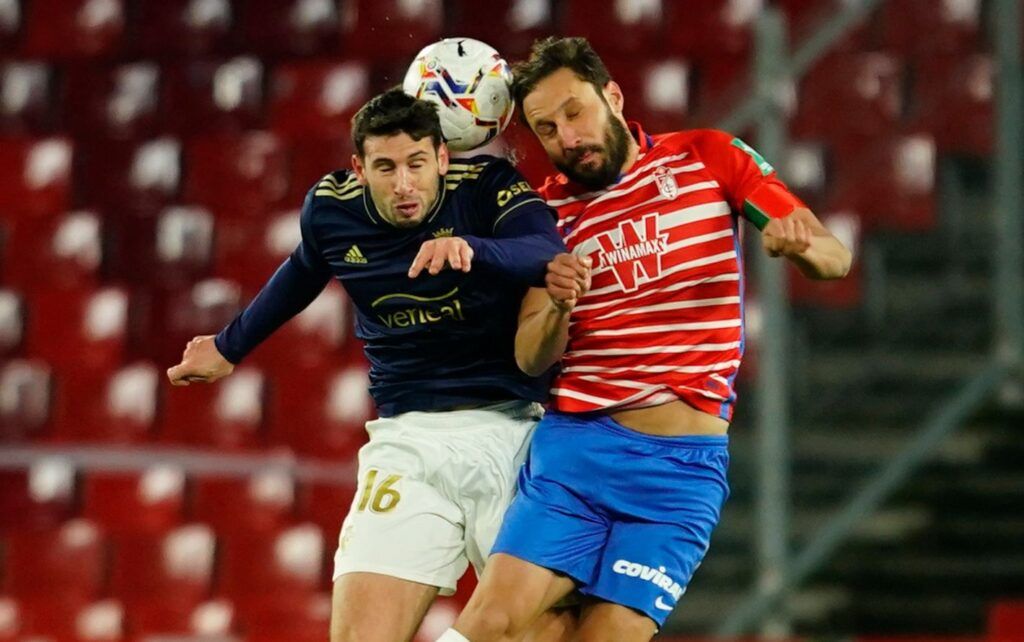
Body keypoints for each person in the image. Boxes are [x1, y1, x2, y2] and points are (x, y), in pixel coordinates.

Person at [436, 36, 853, 642]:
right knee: (494, 622)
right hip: (578, 453)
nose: (566, 139)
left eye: (574, 112)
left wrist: (802, 246)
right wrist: (556, 303)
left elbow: (835, 258)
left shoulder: (708, 158)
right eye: (546, 129)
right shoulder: (542, 215)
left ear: (612, 95)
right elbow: (530, 355)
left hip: (681, 475)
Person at [166, 88, 574, 642]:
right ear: (360, 168)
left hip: (513, 432)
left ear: (442, 157)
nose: (403, 184)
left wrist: (473, 248)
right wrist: (229, 346)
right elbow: (305, 269)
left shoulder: (488, 187)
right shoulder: (332, 208)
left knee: (543, 631)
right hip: (408, 441)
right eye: (385, 167)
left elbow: (545, 250)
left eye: (415, 163)